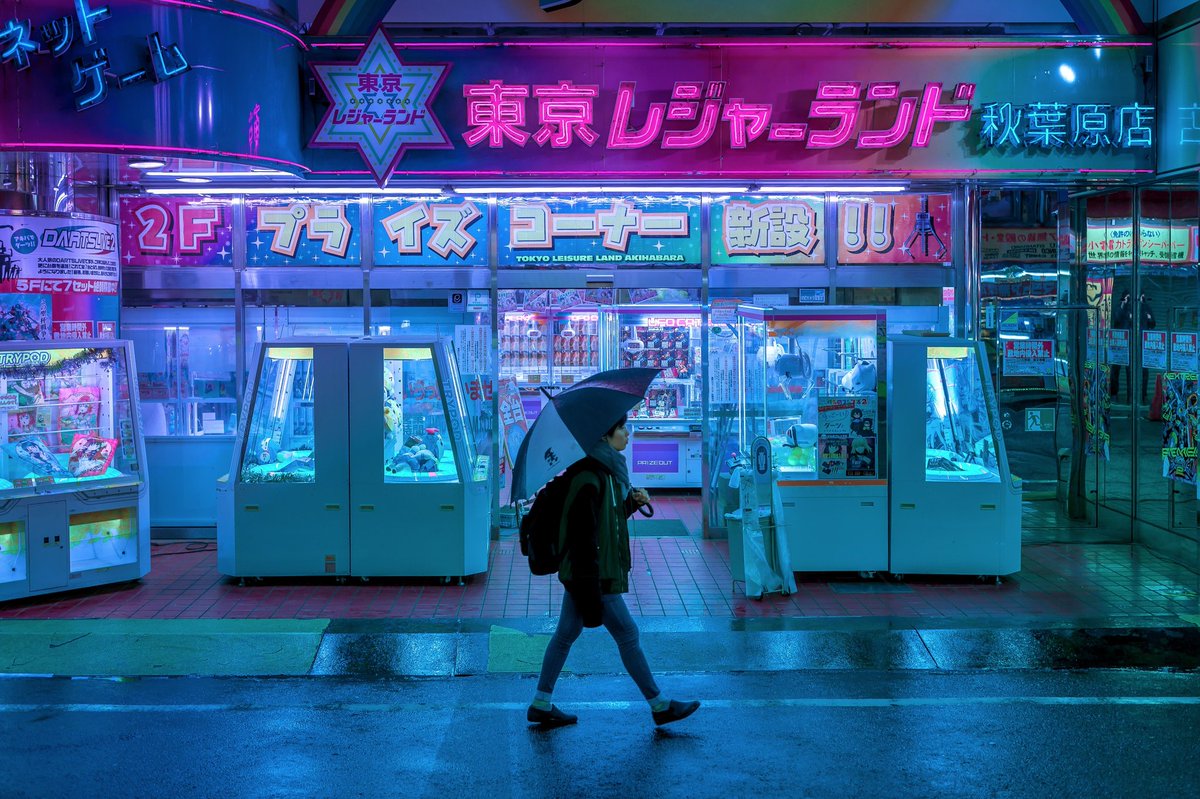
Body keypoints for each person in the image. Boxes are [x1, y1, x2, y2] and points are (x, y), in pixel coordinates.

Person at [527, 414, 701, 729]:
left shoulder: (604, 473)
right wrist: (590, 592)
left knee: (566, 633)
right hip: (594, 575)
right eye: (621, 428)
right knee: (627, 633)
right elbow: (582, 540)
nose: (627, 434)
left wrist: (631, 505)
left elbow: (605, 523)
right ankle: (659, 705)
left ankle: (541, 702)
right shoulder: (588, 479)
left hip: (588, 573)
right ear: (605, 437)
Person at [1109, 289, 1132, 402]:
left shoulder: (1131, 309)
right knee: (1115, 371)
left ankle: (1130, 395)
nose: (1128, 300)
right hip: (1118, 344)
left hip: (1129, 345)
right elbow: (1116, 318)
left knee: (1130, 372)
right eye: (1126, 297)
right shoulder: (1118, 308)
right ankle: (1113, 393)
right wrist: (1123, 304)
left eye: (1129, 298)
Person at [1139, 293, 1157, 404]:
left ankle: (1144, 394)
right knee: (1131, 370)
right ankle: (1130, 395)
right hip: (1132, 342)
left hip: (1144, 342)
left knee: (1145, 370)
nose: (1143, 298)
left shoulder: (1147, 308)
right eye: (1142, 296)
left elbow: (1153, 324)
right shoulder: (1130, 307)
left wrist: (1150, 318)